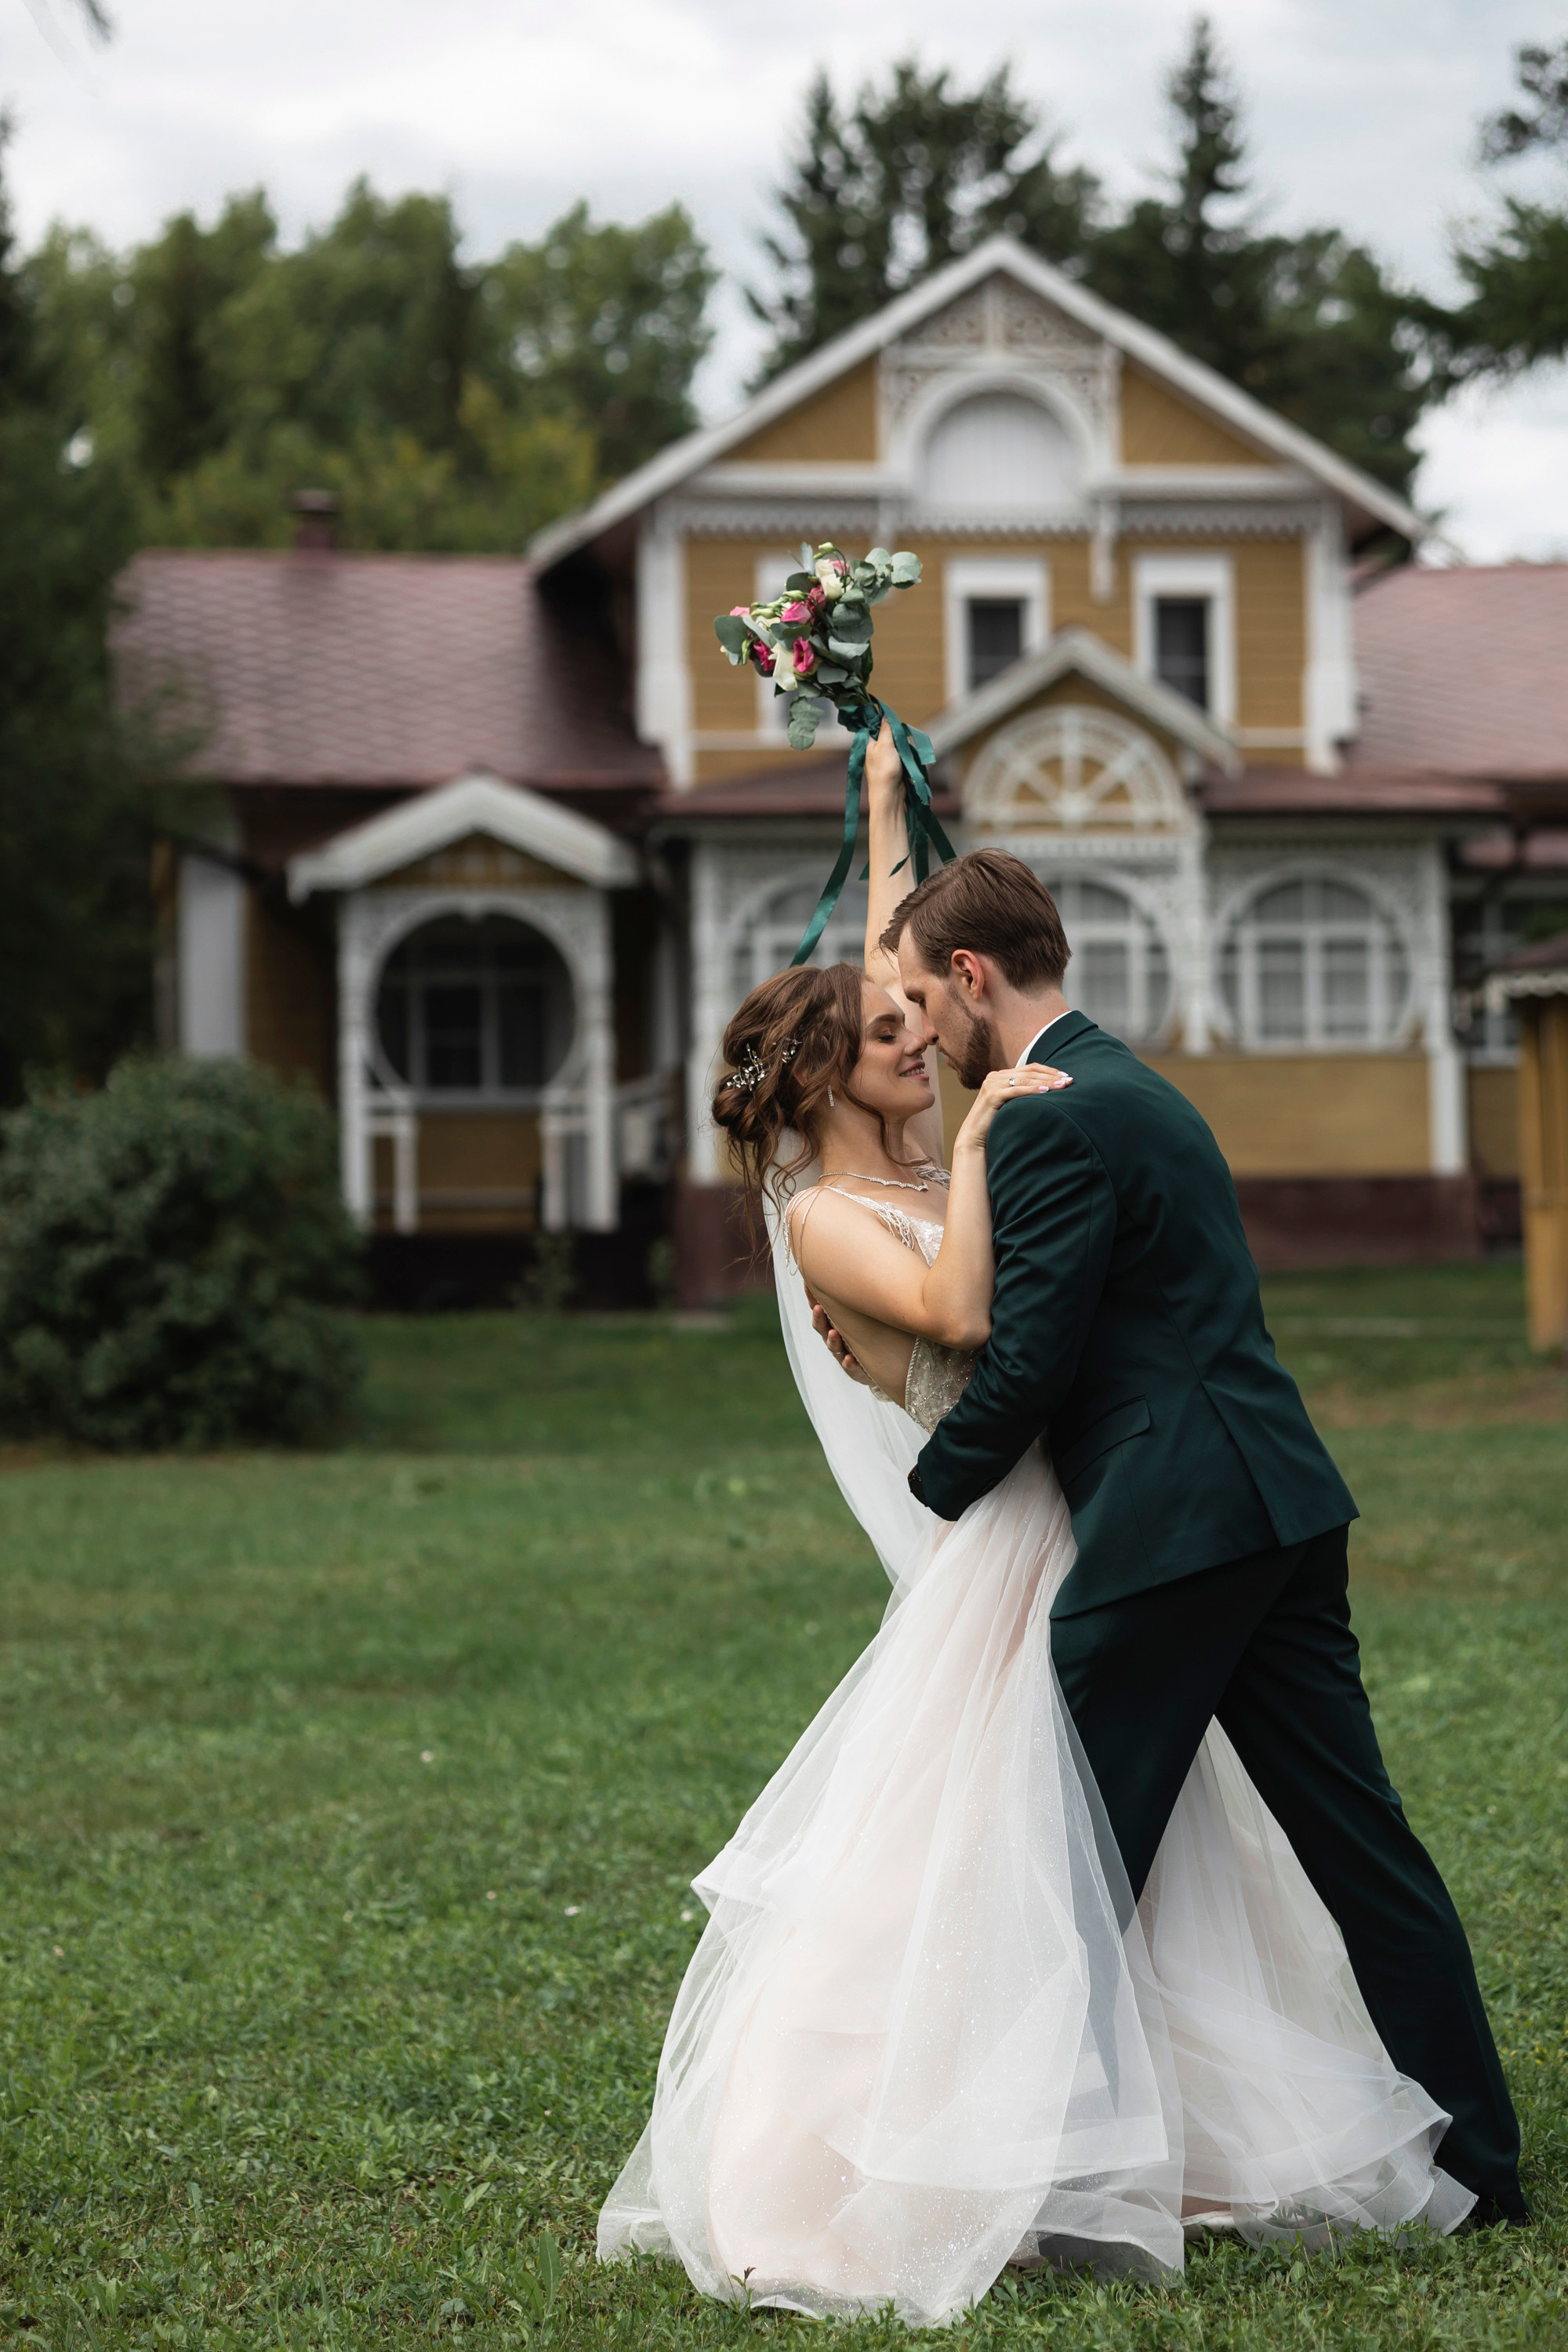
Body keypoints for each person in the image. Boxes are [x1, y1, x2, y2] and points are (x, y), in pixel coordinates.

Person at [594, 737, 1491, 2328]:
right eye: (883, 1033)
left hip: (1149, 1528)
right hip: (1273, 1498)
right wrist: (883, 819)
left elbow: (1019, 1357)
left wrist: (945, 1503)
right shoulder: (1118, 1084)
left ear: (961, 980)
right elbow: (898, 992)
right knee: (1348, 1844)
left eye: (919, 1008)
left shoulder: (1045, 1120)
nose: (912, 1037)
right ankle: (1471, 2158)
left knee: (1048, 1865)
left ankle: (1018, 2179)